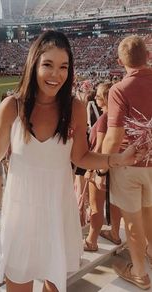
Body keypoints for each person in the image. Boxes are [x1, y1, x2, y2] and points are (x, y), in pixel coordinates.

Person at [0, 31, 142, 292]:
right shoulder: (12, 106)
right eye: (48, 65)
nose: (56, 75)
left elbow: (81, 157)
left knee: (54, 286)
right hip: (21, 215)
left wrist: (117, 159)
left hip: (57, 212)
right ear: (34, 64)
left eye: (63, 67)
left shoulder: (75, 107)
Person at [101, 35, 152, 290]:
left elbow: (114, 136)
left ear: (121, 61)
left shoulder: (119, 89)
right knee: (150, 213)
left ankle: (141, 274)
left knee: (133, 222)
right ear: (149, 57)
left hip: (129, 165)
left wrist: (102, 164)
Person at [84, 82, 122, 251]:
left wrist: (92, 170)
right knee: (114, 204)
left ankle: (91, 241)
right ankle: (114, 233)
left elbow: (99, 147)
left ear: (107, 98)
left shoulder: (104, 118)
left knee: (95, 207)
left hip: (100, 166)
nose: (96, 98)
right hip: (114, 167)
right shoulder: (117, 116)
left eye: (99, 95)